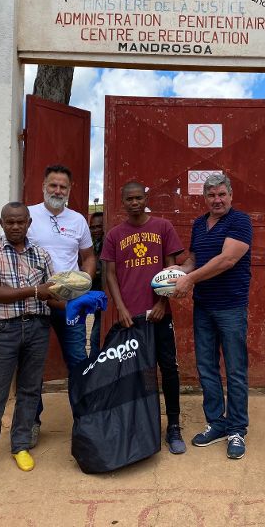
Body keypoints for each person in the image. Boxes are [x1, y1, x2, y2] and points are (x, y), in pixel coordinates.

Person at [0, 202, 56, 483]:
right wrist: (35, 291)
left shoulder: (41, 255)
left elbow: (52, 293)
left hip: (37, 328)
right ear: (1, 222)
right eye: (10, 222)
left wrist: (73, 298)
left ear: (29, 222)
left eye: (20, 222)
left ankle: (20, 445)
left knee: (30, 391)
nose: (16, 226)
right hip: (3, 330)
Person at [101, 182, 187, 454]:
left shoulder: (162, 227)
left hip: (159, 314)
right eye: (130, 199)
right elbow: (110, 274)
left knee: (169, 370)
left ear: (145, 198)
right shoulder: (115, 235)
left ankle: (173, 426)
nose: (135, 202)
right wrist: (121, 308)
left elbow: (171, 269)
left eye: (139, 198)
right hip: (130, 317)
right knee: (135, 373)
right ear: (123, 201)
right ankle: (141, 423)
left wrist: (163, 302)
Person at [171, 173, 252, 460]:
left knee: (235, 369)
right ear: (204, 198)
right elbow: (195, 259)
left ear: (230, 195)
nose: (217, 200)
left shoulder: (239, 221)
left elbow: (227, 259)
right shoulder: (198, 223)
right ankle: (217, 423)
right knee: (206, 367)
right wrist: (175, 274)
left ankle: (237, 429)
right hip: (203, 306)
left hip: (231, 306)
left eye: (221, 194)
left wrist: (189, 279)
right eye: (211, 195)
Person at [27, 164, 96, 446]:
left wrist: (83, 284)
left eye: (63, 187)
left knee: (78, 360)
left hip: (68, 305)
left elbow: (89, 257)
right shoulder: (28, 215)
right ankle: (30, 422)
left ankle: (84, 421)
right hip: (35, 302)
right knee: (33, 364)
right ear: (43, 186)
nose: (57, 191)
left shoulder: (78, 220)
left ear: (70, 190)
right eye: (53, 185)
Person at [88, 211, 104, 353]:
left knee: (95, 337)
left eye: (100, 226)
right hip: (97, 298)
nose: (96, 230)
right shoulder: (93, 246)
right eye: (92, 227)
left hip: (109, 297)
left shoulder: (108, 245)